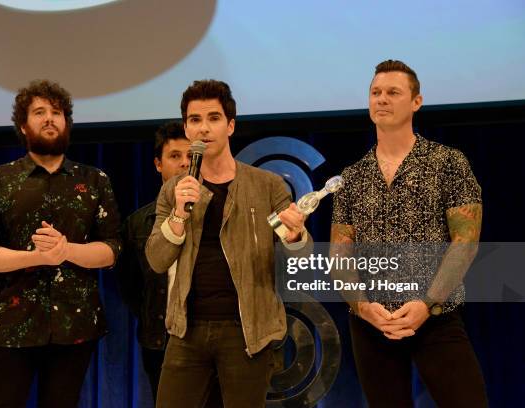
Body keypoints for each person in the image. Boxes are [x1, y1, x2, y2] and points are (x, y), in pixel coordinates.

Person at [331, 60, 487, 407]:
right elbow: (339, 257)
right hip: (372, 324)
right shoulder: (352, 177)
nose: (381, 99)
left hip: (436, 317)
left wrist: (426, 303)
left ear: (416, 102)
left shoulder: (448, 163)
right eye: (375, 93)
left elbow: (466, 242)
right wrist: (363, 307)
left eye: (392, 92)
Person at [145, 79, 310, 407]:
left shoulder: (267, 186)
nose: (203, 128)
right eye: (195, 120)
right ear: (186, 128)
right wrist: (178, 214)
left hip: (247, 331)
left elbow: (300, 256)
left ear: (230, 125)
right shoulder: (174, 190)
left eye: (213, 118)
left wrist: (295, 236)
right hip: (187, 331)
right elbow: (156, 259)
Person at [0, 80, 121, 408]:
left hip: (75, 326)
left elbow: (112, 249)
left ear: (67, 122)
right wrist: (33, 257)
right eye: (39, 112)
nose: (49, 118)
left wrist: (66, 251)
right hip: (10, 326)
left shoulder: (94, 180)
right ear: (24, 125)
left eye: (57, 112)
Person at [119, 121, 221, 406]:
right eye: (174, 156)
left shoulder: (220, 214)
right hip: (160, 341)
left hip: (217, 336)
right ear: (158, 164)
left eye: (190, 156)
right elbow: (128, 285)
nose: (184, 164)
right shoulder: (137, 223)